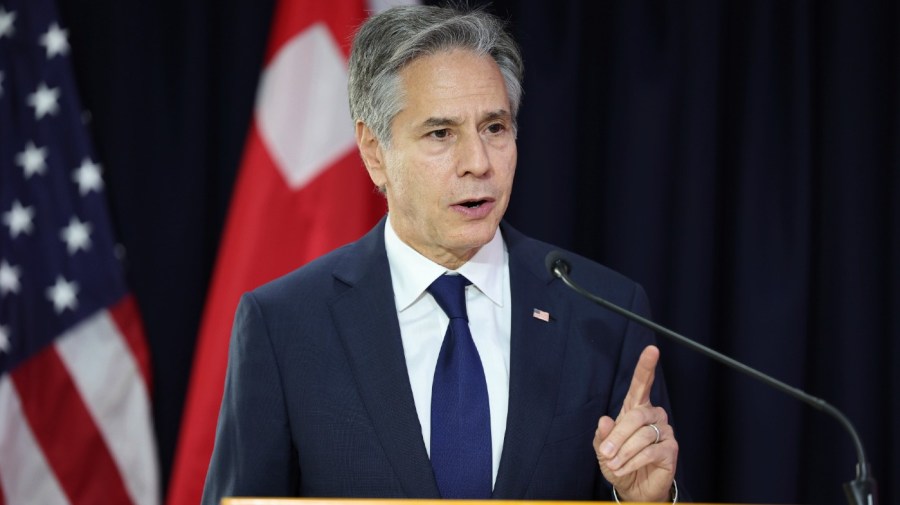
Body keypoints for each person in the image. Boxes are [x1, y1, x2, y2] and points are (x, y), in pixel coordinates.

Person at [202, 5, 680, 504]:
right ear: (374, 151)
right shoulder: (284, 325)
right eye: (440, 133)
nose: (478, 163)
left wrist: (645, 501)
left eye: (494, 128)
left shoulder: (603, 312)